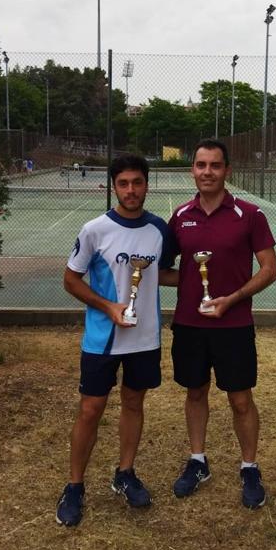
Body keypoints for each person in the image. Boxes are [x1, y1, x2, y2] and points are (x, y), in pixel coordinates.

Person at [56, 154, 173, 526]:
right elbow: (71, 280)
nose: (131, 190)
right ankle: (74, 486)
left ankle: (125, 473)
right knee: (91, 409)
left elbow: (165, 274)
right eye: (123, 183)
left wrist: (208, 280)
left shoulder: (160, 230)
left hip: (144, 337)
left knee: (134, 403)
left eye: (137, 182)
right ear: (113, 187)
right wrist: (108, 307)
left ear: (147, 185)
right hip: (102, 339)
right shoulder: (94, 229)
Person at [167, 139, 276, 510]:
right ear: (192, 170)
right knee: (195, 392)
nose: (207, 172)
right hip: (189, 324)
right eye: (201, 165)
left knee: (241, 399)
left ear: (227, 171)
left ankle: (249, 467)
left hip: (234, 326)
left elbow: (269, 269)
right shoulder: (180, 215)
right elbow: (170, 269)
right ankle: (198, 461)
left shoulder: (249, 215)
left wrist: (230, 300)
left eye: (215, 165)